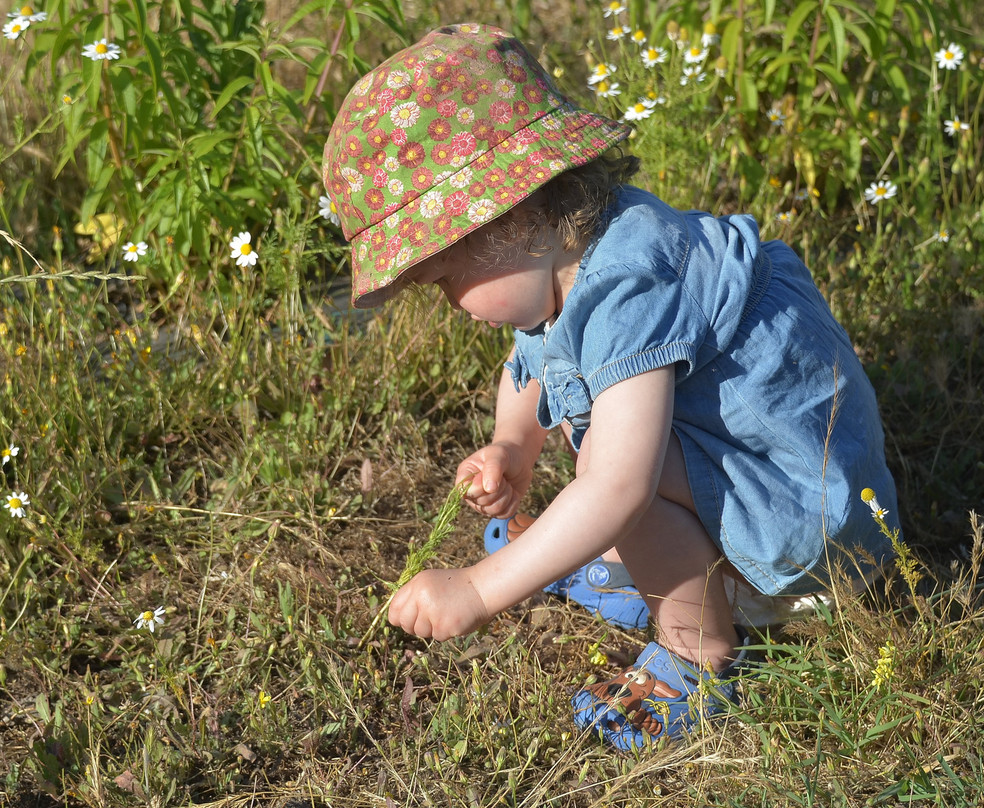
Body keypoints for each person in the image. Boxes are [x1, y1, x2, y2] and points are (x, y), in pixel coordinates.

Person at [321, 22, 899, 751]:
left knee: (619, 478)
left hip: (811, 529)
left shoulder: (628, 285)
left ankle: (698, 653)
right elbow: (531, 361)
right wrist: (512, 444)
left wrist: (479, 587)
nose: (449, 305)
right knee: (605, 456)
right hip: (762, 478)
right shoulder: (574, 249)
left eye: (445, 279)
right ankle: (660, 571)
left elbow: (619, 488)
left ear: (515, 213)